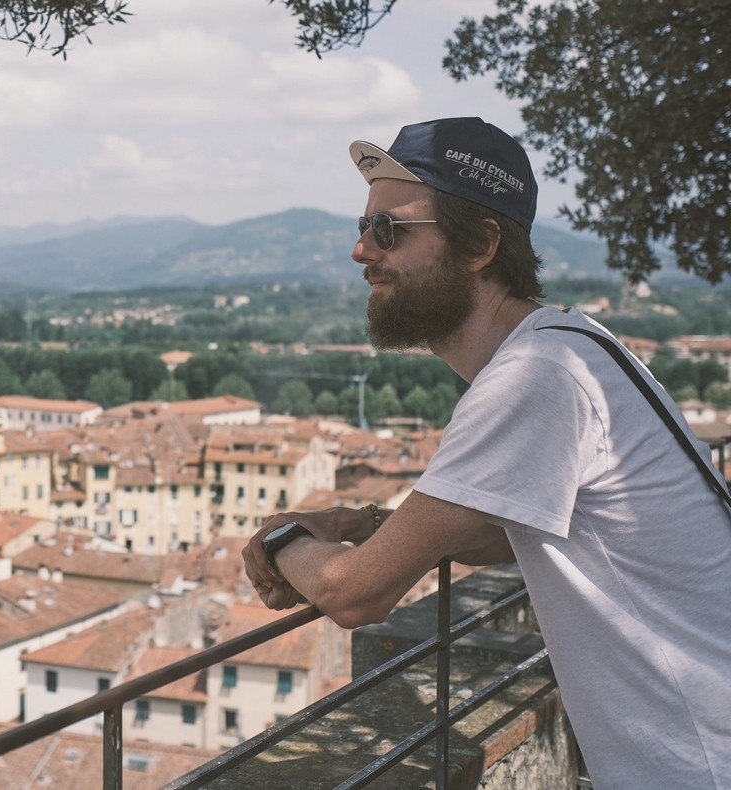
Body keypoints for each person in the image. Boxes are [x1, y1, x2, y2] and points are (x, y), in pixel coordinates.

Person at [242, 117, 731, 788]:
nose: (361, 251)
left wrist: (281, 539)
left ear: (480, 247)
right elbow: (515, 536)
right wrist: (360, 524)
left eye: (389, 230)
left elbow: (354, 595)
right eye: (361, 229)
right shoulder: (572, 344)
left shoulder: (537, 376)